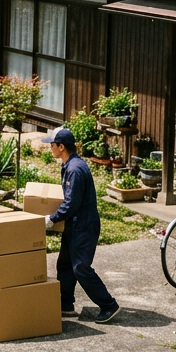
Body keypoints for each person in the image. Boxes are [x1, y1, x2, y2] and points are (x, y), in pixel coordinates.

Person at [42, 127, 121, 324]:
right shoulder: (69, 164)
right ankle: (66, 305)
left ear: (61, 146)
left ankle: (108, 305)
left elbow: (71, 204)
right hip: (74, 224)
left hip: (84, 226)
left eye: (52, 145)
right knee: (65, 264)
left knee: (81, 267)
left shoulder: (75, 169)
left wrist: (52, 219)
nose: (50, 148)